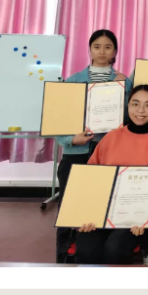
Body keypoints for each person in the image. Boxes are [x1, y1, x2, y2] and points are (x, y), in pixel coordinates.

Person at [74, 85, 148, 265]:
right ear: (127, 106)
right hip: (104, 209)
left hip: (141, 213)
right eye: (135, 104)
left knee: (115, 247)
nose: (140, 110)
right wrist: (88, 213)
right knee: (87, 246)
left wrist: (146, 216)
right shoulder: (111, 137)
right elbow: (90, 177)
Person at [54, 29, 132, 261]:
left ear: (115, 51)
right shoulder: (73, 81)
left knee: (104, 201)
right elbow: (58, 120)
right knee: (70, 203)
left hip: (110, 152)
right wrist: (71, 139)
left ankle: (96, 250)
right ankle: (64, 252)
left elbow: (132, 119)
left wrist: (124, 89)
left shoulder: (124, 81)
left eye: (108, 47)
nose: (102, 51)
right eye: (97, 46)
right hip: (77, 151)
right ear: (89, 49)